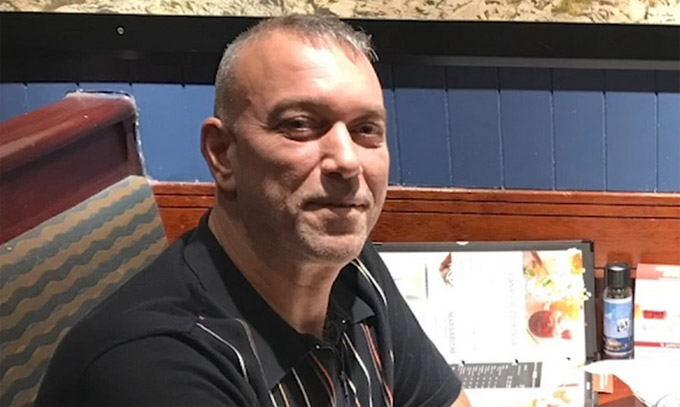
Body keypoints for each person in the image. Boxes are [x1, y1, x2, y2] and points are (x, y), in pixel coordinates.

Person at [36, 14, 470, 407]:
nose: (347, 160)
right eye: (300, 125)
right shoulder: (154, 364)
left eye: (366, 130)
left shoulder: (347, 263)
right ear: (223, 154)